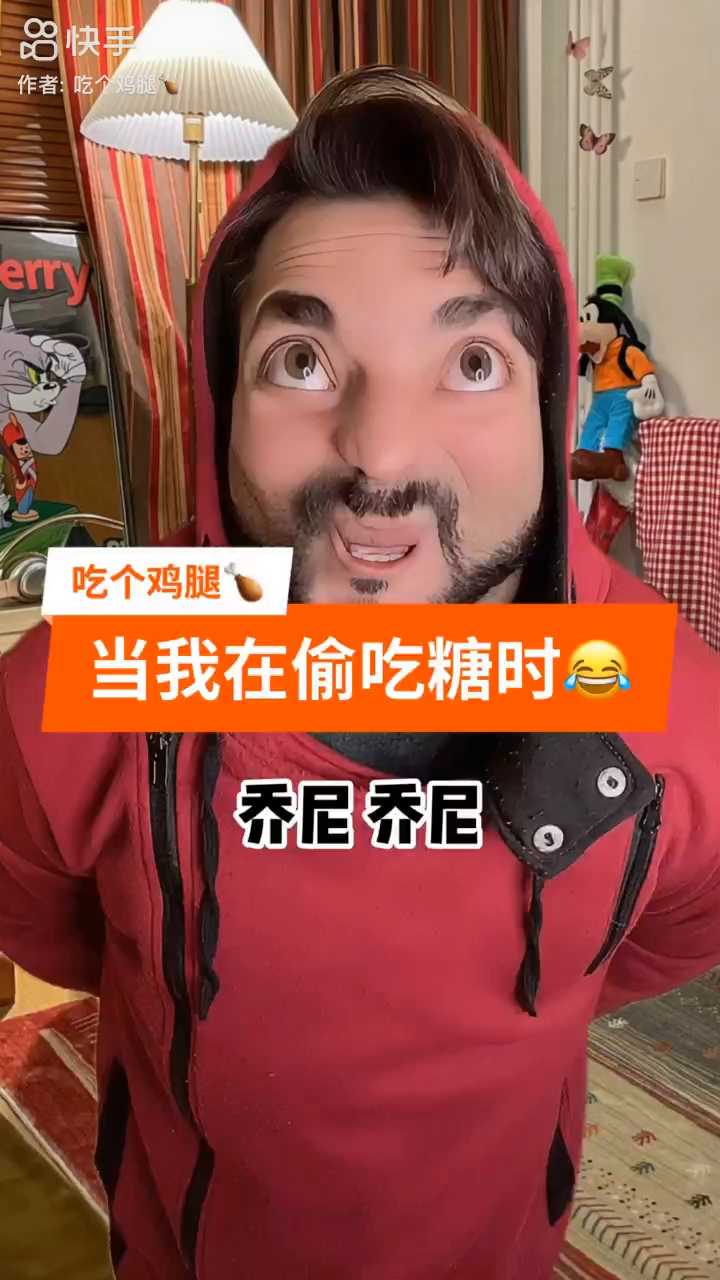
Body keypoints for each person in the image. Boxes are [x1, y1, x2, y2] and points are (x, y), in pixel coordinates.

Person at [0, 67, 718, 1280]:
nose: (380, 453)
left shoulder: (669, 701)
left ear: (551, 406)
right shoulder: (91, 656)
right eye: (300, 359)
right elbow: (59, 924)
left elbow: (666, 930)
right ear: (221, 401)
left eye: (473, 361)